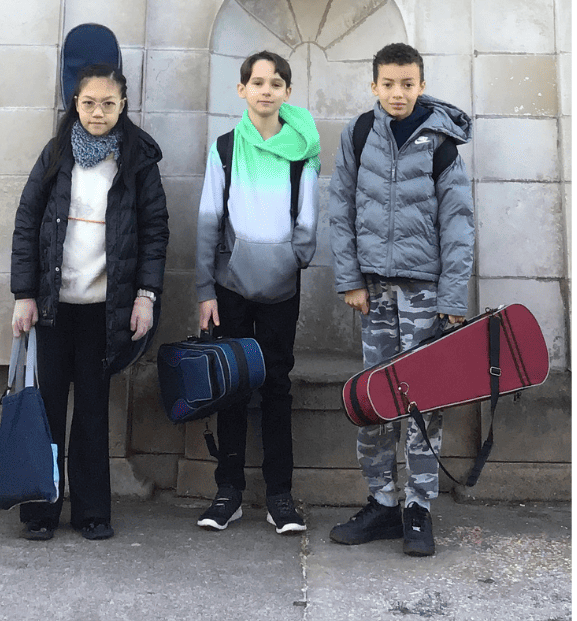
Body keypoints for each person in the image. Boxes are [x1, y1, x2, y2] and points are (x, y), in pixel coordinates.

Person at [11, 63, 169, 542]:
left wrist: (146, 297)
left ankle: (92, 512)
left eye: (108, 103)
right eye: (88, 103)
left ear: (123, 105)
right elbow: (27, 221)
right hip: (54, 307)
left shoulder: (138, 160)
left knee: (94, 413)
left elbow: (155, 233)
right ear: (74, 105)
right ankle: (41, 509)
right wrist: (23, 294)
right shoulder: (56, 154)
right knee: (49, 408)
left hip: (105, 309)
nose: (98, 112)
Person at [328, 43, 474, 558]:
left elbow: (458, 223)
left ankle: (418, 509)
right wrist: (350, 279)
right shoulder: (359, 134)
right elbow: (340, 207)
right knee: (375, 400)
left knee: (421, 401)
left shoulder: (441, 144)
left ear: (421, 83)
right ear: (374, 85)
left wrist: (453, 295)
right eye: (388, 84)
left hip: (424, 293)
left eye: (407, 84)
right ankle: (382, 503)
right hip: (373, 292)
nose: (397, 93)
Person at [194, 51, 321, 536]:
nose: (266, 90)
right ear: (242, 89)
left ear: (287, 92)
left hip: (281, 288)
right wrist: (206, 288)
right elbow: (210, 218)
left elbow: (308, 219)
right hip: (229, 288)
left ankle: (280, 497)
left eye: (276, 83)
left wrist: (292, 260)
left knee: (276, 386)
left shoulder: (303, 148)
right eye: (257, 82)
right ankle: (227, 493)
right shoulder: (226, 148)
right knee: (230, 385)